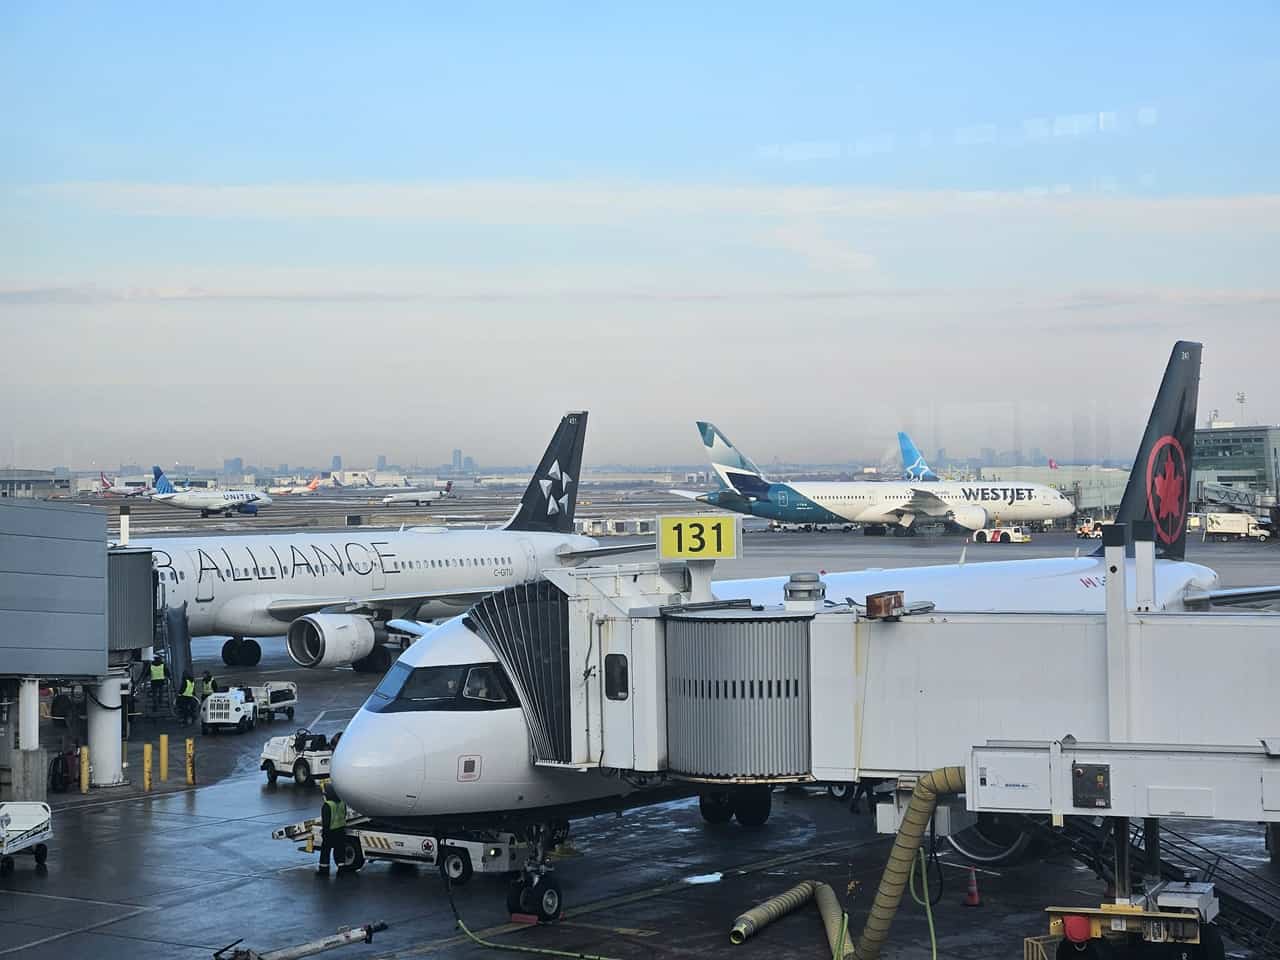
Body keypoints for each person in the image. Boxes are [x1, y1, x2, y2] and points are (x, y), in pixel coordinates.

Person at [318, 782, 349, 874]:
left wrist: (324, 832)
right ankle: (341, 868)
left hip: (330, 831)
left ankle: (324, 869)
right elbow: (344, 815)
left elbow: (326, 821)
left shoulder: (327, 805)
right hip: (341, 830)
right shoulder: (342, 803)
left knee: (325, 850)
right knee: (340, 850)